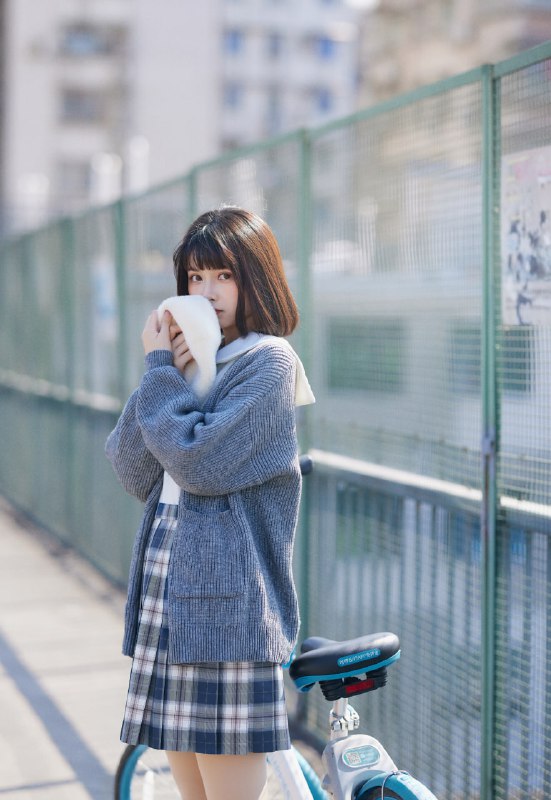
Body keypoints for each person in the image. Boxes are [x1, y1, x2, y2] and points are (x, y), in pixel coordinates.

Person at [105, 207, 315, 800]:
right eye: (195, 277)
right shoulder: (190, 361)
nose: (207, 292)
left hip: (231, 608)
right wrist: (164, 370)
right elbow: (131, 467)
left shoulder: (268, 363)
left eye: (224, 275)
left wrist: (162, 376)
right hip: (168, 591)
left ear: (256, 278)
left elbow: (200, 465)